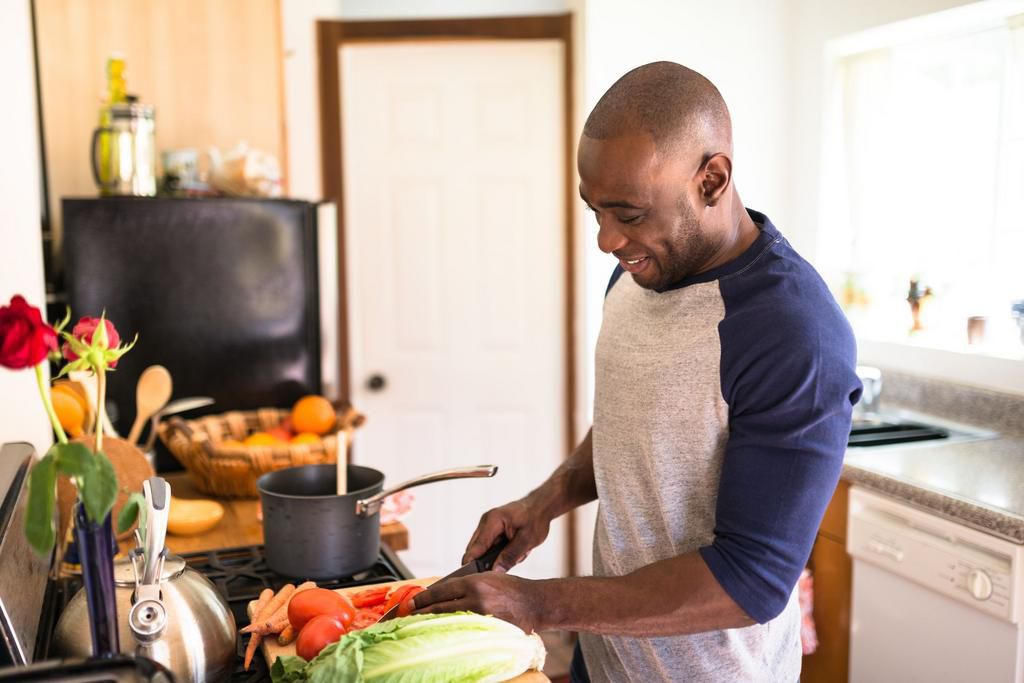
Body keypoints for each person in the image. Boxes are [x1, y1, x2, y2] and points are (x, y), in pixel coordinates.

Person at [411, 61, 862, 682]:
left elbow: (750, 580)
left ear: (712, 179)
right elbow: (636, 425)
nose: (606, 240)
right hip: (608, 657)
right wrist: (545, 501)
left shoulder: (794, 333)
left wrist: (538, 602)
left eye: (628, 214)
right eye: (594, 210)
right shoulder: (638, 271)